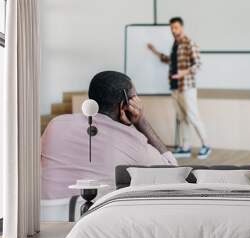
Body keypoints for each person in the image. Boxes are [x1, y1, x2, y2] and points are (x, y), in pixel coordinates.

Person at [41, 71, 177, 200]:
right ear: (125, 106)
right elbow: (172, 172)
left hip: (50, 218)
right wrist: (141, 121)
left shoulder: (56, 124)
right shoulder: (134, 142)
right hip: (96, 219)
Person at [147, 17, 210, 159]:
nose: (173, 30)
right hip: (175, 87)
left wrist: (185, 72)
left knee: (193, 117)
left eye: (175, 27)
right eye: (171, 28)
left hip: (187, 87)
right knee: (182, 118)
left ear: (181, 27)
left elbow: (198, 64)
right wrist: (155, 51)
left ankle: (206, 145)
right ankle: (185, 147)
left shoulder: (189, 43)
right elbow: (169, 61)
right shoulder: (175, 44)